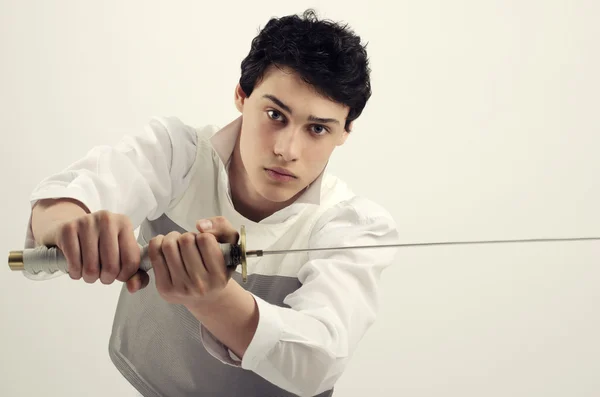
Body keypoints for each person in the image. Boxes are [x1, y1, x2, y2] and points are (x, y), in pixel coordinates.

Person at [23, 9, 399, 397]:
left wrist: (214, 298)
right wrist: (72, 226)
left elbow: (318, 363)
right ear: (241, 94)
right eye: (275, 114)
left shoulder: (356, 226)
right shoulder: (178, 154)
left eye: (317, 128)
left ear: (346, 131)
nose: (287, 150)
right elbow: (67, 197)